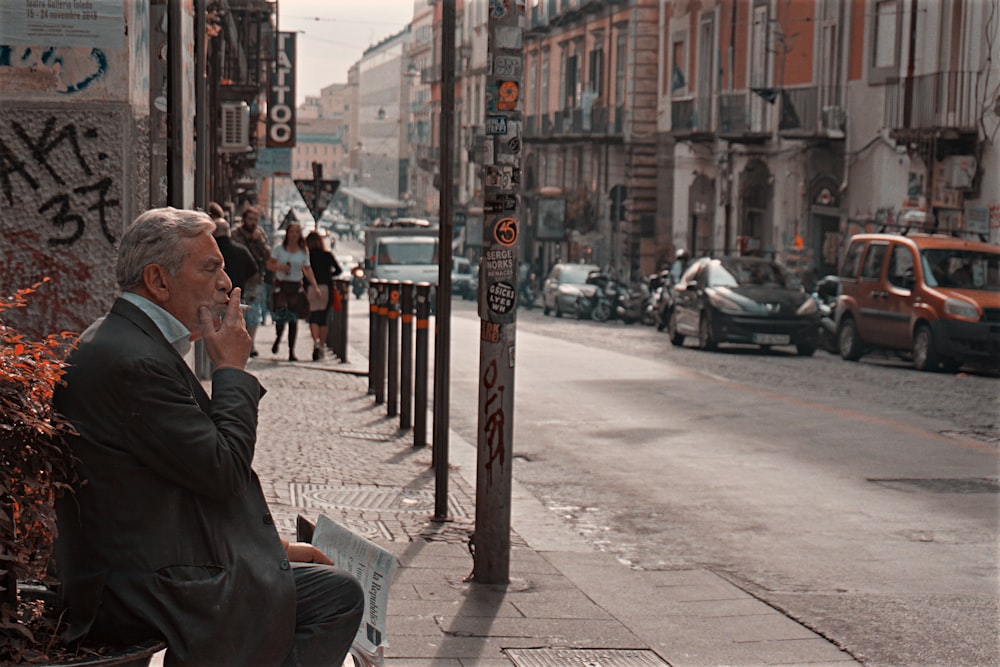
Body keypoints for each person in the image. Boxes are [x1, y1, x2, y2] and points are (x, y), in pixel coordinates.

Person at [52, 207, 364, 666]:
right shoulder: (136, 361)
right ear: (159, 281)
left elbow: (178, 475)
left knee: (324, 585)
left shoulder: (126, 340)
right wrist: (231, 371)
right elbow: (223, 471)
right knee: (338, 597)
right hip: (142, 585)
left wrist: (271, 548)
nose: (225, 282)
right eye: (210, 268)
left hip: (150, 561)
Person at [210, 203, 261, 355]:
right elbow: (254, 274)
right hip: (236, 299)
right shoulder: (241, 250)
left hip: (211, 300)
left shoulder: (209, 251)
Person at [268, 222, 316, 361]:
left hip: (295, 286)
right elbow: (269, 264)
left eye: (297, 232)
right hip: (281, 286)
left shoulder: (303, 252)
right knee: (281, 317)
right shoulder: (279, 249)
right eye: (292, 231)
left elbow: (307, 269)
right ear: (287, 234)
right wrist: (280, 267)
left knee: (293, 319)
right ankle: (278, 337)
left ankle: (291, 351)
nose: (294, 234)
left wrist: (315, 285)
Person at [232, 206, 272, 342]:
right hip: (238, 280)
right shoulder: (235, 234)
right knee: (238, 314)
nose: (253, 222)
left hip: (255, 281)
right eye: (250, 219)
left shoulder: (259, 234)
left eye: (255, 219)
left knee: (253, 314)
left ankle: (250, 344)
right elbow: (238, 252)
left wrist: (259, 241)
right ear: (244, 219)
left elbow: (268, 256)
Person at [304, 231, 342, 361]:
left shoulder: (307, 256)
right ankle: (321, 346)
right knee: (323, 318)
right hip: (326, 287)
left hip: (311, 288)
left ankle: (315, 342)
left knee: (313, 317)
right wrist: (328, 275)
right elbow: (339, 270)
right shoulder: (327, 255)